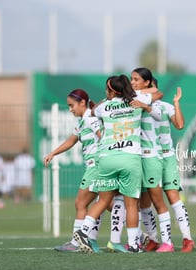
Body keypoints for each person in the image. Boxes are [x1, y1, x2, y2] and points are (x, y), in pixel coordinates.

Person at [73, 75, 163, 253]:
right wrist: (134, 95)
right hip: (130, 158)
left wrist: (109, 98)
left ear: (111, 91)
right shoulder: (137, 101)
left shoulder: (104, 107)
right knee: (131, 204)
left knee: (103, 200)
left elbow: (93, 111)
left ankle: (83, 232)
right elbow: (158, 93)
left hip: (107, 157)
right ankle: (134, 244)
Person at [131, 67, 195, 253]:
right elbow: (179, 124)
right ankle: (165, 239)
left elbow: (179, 124)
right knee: (151, 200)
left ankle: (176, 240)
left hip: (158, 156)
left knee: (161, 199)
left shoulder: (156, 106)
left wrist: (175, 103)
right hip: (157, 156)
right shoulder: (147, 105)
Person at [44, 89, 103, 253]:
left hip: (96, 166)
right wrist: (53, 153)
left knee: (81, 203)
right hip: (95, 166)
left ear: (82, 103)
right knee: (111, 204)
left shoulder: (91, 119)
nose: (70, 109)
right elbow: (71, 141)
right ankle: (140, 235)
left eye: (72, 105)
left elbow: (104, 136)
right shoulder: (82, 122)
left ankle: (76, 243)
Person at [130, 68, 174, 252]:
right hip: (135, 158)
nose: (132, 82)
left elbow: (159, 93)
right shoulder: (132, 97)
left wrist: (141, 98)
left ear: (147, 82)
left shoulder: (148, 99)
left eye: (136, 79)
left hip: (151, 157)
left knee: (158, 201)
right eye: (131, 79)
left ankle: (168, 243)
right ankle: (151, 239)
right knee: (141, 204)